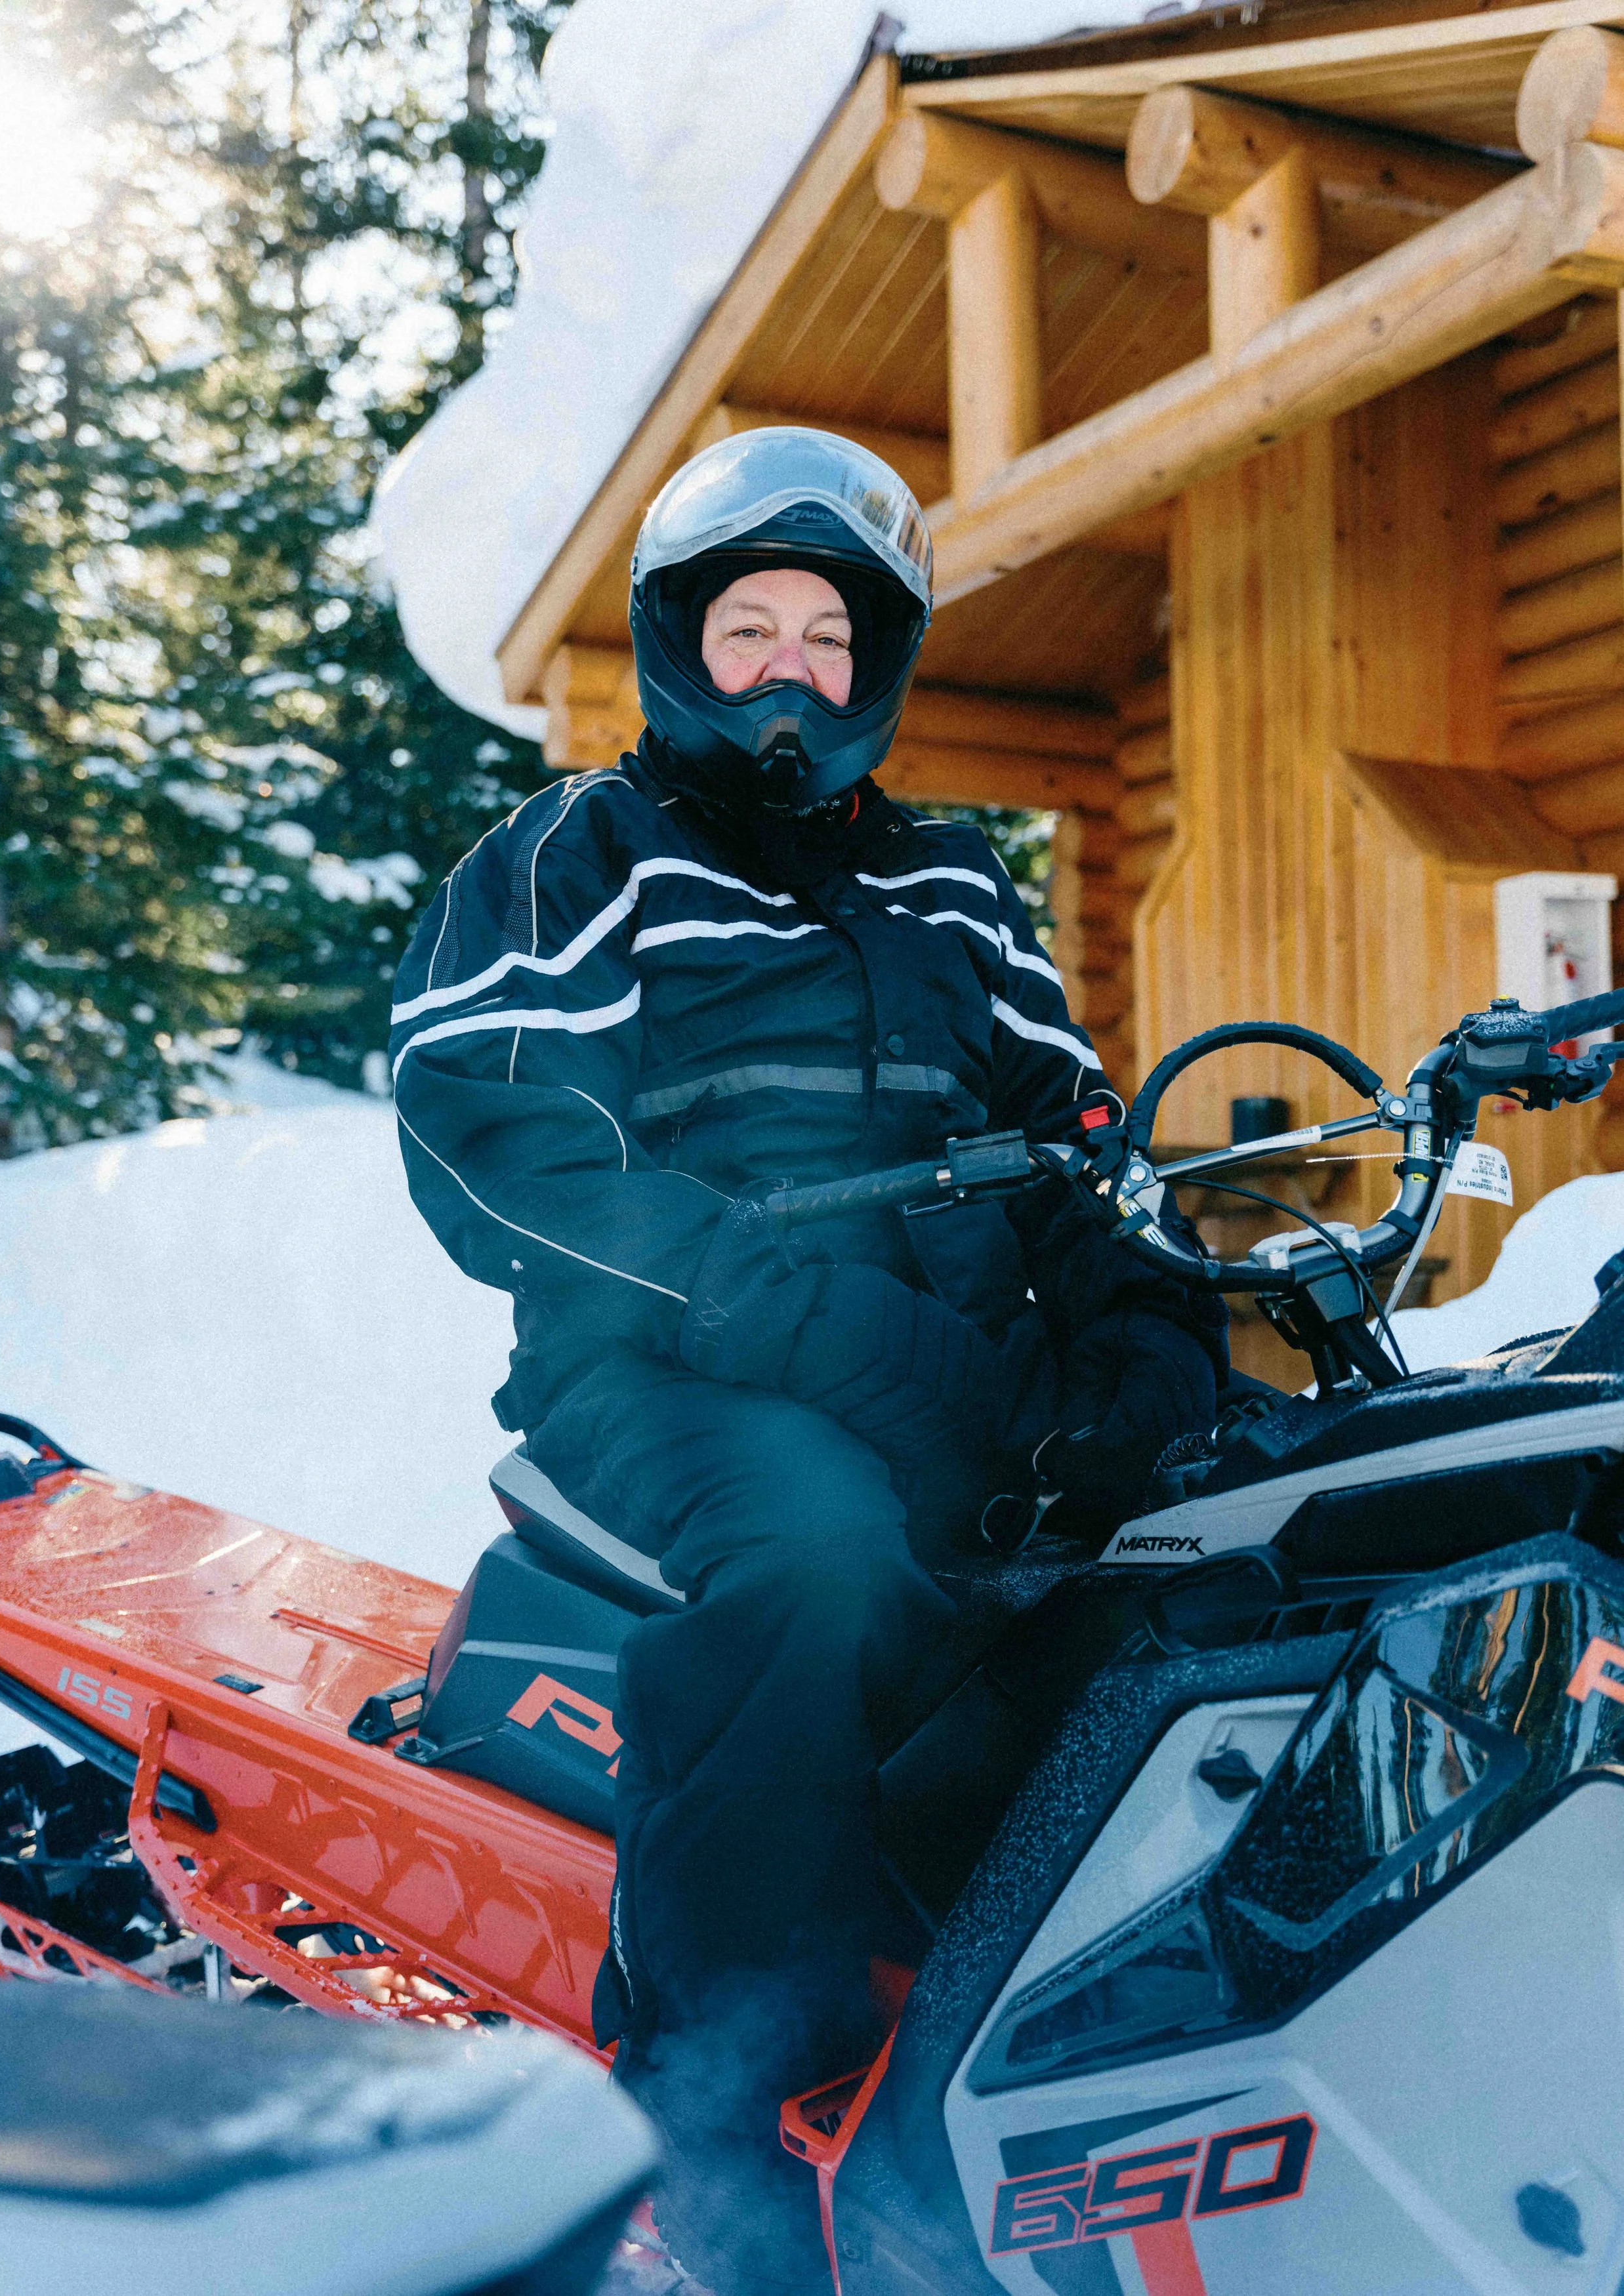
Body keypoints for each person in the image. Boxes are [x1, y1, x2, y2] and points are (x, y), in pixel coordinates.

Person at [390, 429, 1226, 2291]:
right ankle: (715, 2109)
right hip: (667, 1379)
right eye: (748, 624)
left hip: (942, 1361)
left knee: (1212, 1538)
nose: (788, 668)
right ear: (683, 640)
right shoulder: (571, 859)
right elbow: (499, 1154)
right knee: (822, 1557)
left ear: (878, 664)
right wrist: (811, 1323)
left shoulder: (950, 884)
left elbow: (1078, 1146)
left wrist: (1145, 1326)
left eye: (825, 636)